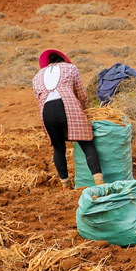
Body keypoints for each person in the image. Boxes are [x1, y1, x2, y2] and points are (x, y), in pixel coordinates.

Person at [32, 49, 101, 187]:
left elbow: (39, 100)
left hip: (46, 111)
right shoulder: (71, 68)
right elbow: (81, 94)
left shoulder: (37, 76)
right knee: (86, 143)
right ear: (63, 60)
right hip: (67, 105)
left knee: (58, 147)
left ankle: (65, 184)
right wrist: (85, 112)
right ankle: (99, 182)